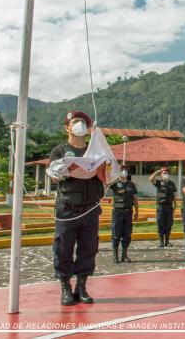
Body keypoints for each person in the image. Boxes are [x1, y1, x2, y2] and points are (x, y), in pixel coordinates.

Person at [49, 111, 104, 306]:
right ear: (67, 127)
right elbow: (53, 176)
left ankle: (81, 287)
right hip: (67, 209)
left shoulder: (95, 151)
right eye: (75, 122)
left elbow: (106, 175)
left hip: (90, 208)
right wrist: (68, 170)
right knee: (63, 248)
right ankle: (65, 288)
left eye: (82, 122)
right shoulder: (59, 151)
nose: (79, 124)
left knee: (88, 248)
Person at [110, 164, 139, 264]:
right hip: (117, 212)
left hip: (128, 212)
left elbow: (135, 199)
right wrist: (113, 172)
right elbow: (106, 183)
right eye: (122, 170)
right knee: (116, 234)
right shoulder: (114, 183)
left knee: (127, 234)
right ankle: (115, 255)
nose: (124, 172)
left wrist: (137, 212)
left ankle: (124, 255)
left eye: (126, 170)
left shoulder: (131, 184)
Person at [149, 166, 177, 247]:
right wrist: (157, 172)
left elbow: (174, 195)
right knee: (160, 223)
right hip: (161, 206)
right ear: (161, 174)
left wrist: (175, 204)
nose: (166, 174)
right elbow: (150, 179)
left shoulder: (172, 183)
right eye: (164, 173)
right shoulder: (158, 182)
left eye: (167, 173)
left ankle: (167, 241)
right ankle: (161, 241)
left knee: (169, 224)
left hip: (169, 206)